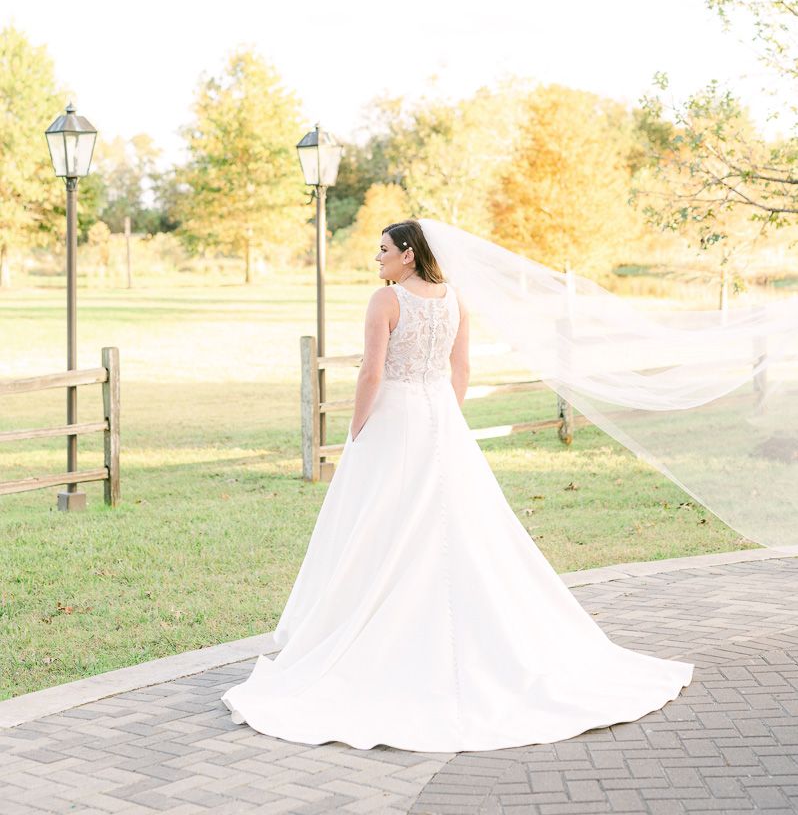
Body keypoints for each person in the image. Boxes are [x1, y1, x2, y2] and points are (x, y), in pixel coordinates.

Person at [221, 218, 693, 751]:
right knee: (457, 529)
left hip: (394, 420)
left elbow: (371, 374)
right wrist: (444, 417)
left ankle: (376, 638)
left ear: (406, 253)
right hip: (438, 420)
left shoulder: (386, 301)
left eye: (382, 250)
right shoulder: (455, 299)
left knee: (382, 523)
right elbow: (459, 368)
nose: (376, 259)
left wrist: (356, 430)